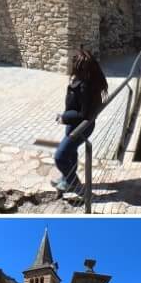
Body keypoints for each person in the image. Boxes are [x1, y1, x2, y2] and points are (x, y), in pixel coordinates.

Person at [53, 49, 109, 193]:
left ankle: (72, 182)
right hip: (74, 125)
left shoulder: (86, 86)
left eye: (74, 65)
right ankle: (66, 179)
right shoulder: (85, 81)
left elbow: (84, 114)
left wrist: (63, 118)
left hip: (81, 127)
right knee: (71, 152)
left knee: (60, 156)